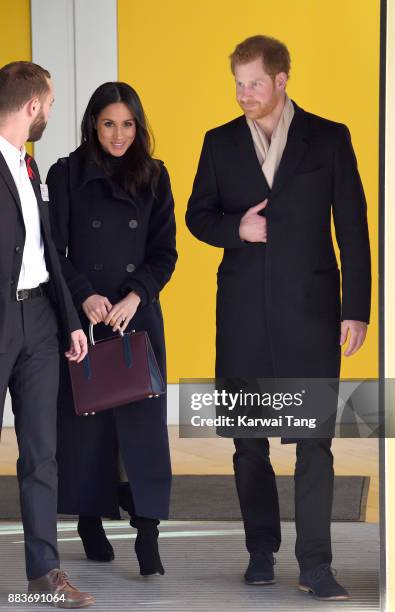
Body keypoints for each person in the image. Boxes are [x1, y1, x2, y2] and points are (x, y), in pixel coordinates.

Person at [186, 35, 371, 601]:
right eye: (238, 84)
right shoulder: (218, 143)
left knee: (314, 441)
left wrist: (356, 310)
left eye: (255, 83)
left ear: (283, 78)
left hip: (311, 316)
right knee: (248, 443)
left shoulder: (330, 138)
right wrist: (234, 230)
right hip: (241, 314)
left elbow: (354, 230)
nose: (244, 94)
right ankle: (260, 551)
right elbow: (197, 215)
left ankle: (316, 565)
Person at [46, 81, 177, 577]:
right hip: (85, 319)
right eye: (108, 124)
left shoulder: (156, 176)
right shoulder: (65, 174)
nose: (119, 134)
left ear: (138, 126)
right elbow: (53, 252)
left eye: (127, 124)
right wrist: (84, 295)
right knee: (87, 428)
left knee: (144, 433)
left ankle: (148, 534)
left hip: (135, 316)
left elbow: (165, 252)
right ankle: (89, 520)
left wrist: (135, 294)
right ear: (92, 125)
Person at [0, 61, 94, 608]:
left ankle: (45, 575)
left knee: (42, 453)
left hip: (38, 320)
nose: (51, 113)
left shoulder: (30, 168)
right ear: (32, 106)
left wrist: (69, 320)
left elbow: (47, 255)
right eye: (51, 104)